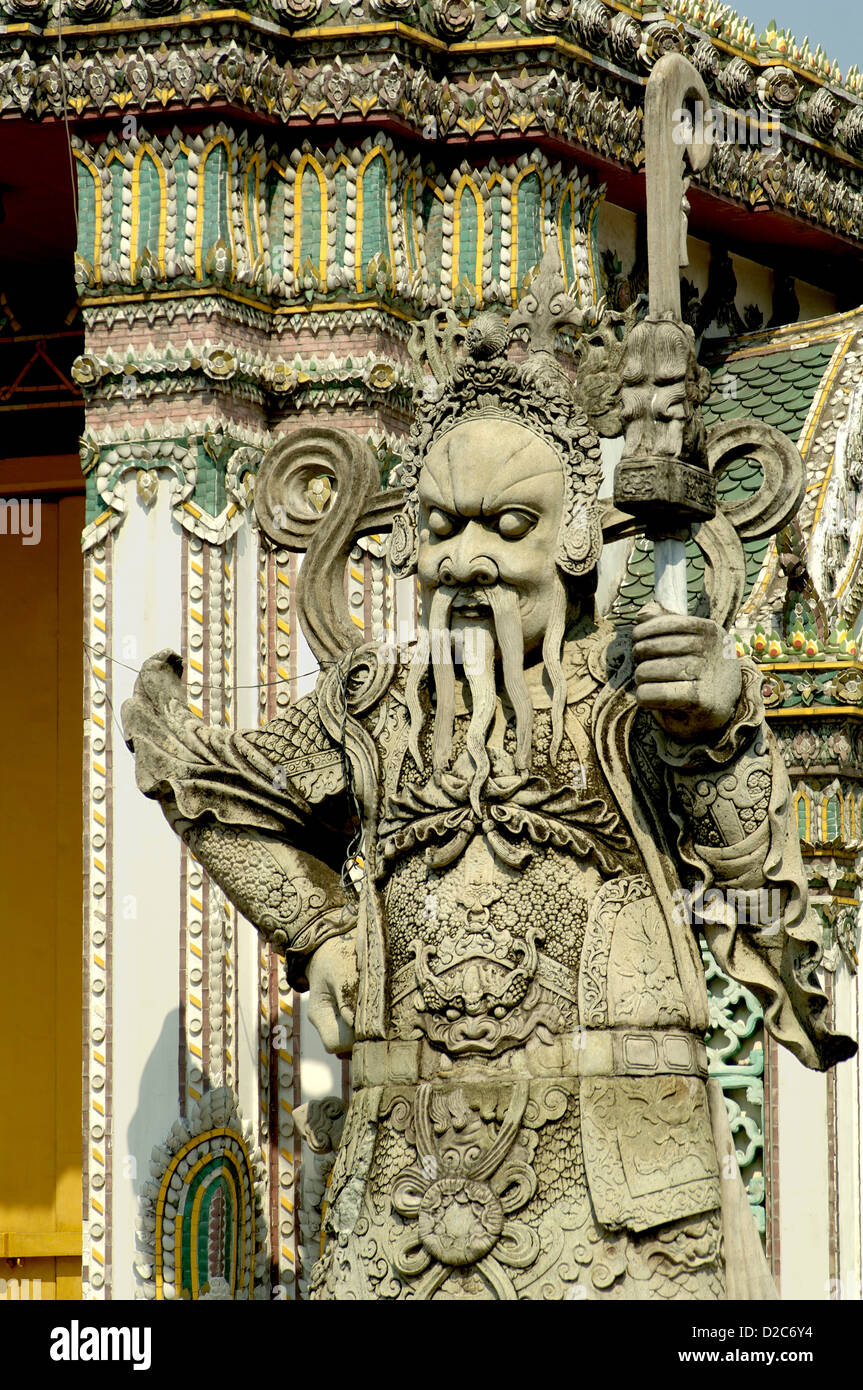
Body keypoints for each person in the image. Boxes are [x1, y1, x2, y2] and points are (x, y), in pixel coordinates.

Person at [123, 311, 853, 1300]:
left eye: (507, 528)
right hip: (408, 1197)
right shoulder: (373, 709)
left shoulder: (637, 694)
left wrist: (714, 736)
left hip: (622, 1208)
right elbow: (204, 786)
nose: (467, 560)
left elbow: (762, 915)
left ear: (576, 535)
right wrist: (323, 933)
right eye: (441, 527)